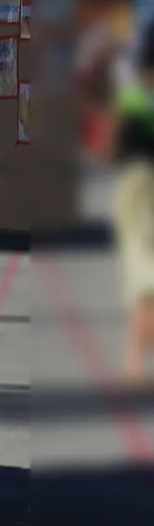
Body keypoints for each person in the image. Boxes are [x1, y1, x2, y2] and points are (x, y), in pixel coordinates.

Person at [111, 28, 154, 382]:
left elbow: (113, 150)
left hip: (134, 188)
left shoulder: (133, 99)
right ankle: (134, 363)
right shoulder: (135, 100)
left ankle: (134, 363)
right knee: (145, 283)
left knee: (143, 282)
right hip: (140, 191)